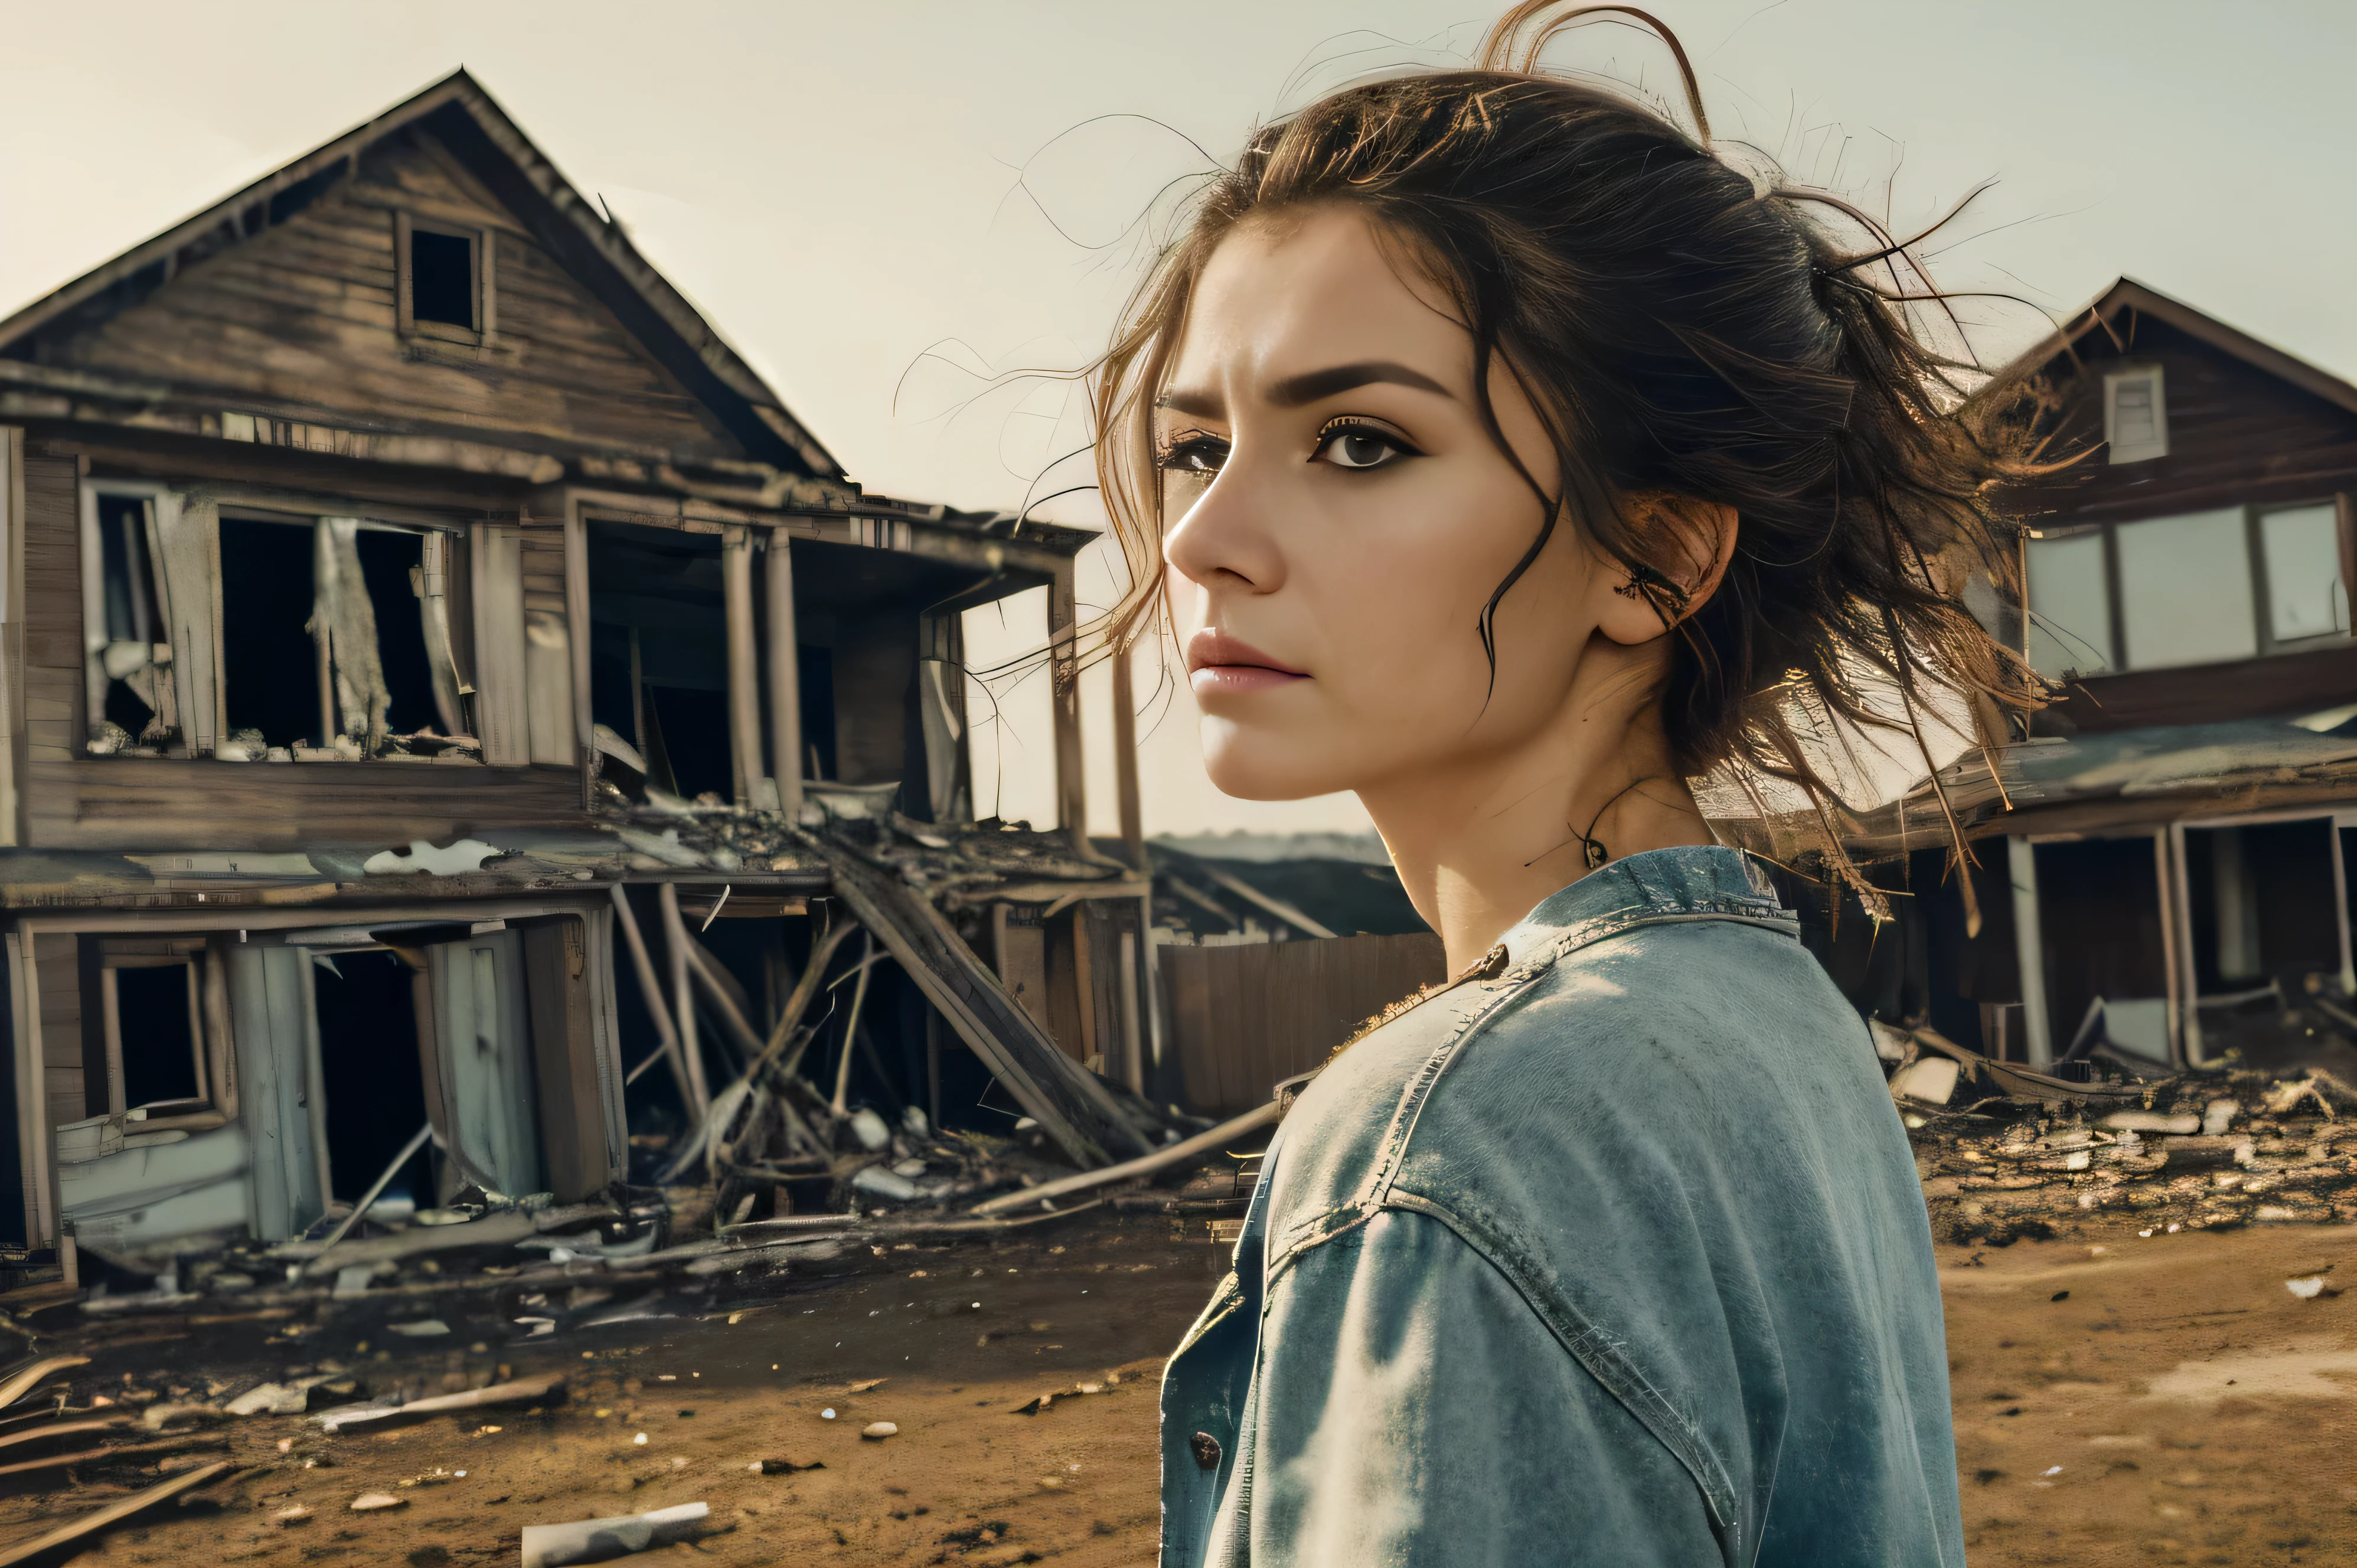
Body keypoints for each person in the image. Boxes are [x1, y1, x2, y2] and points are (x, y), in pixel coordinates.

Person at [1087, 4, 2046, 1563]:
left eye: (1357, 442)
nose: (1202, 540)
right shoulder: (1773, 1019)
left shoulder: (1463, 1130)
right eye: (1197, 445)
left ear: (1654, 555)